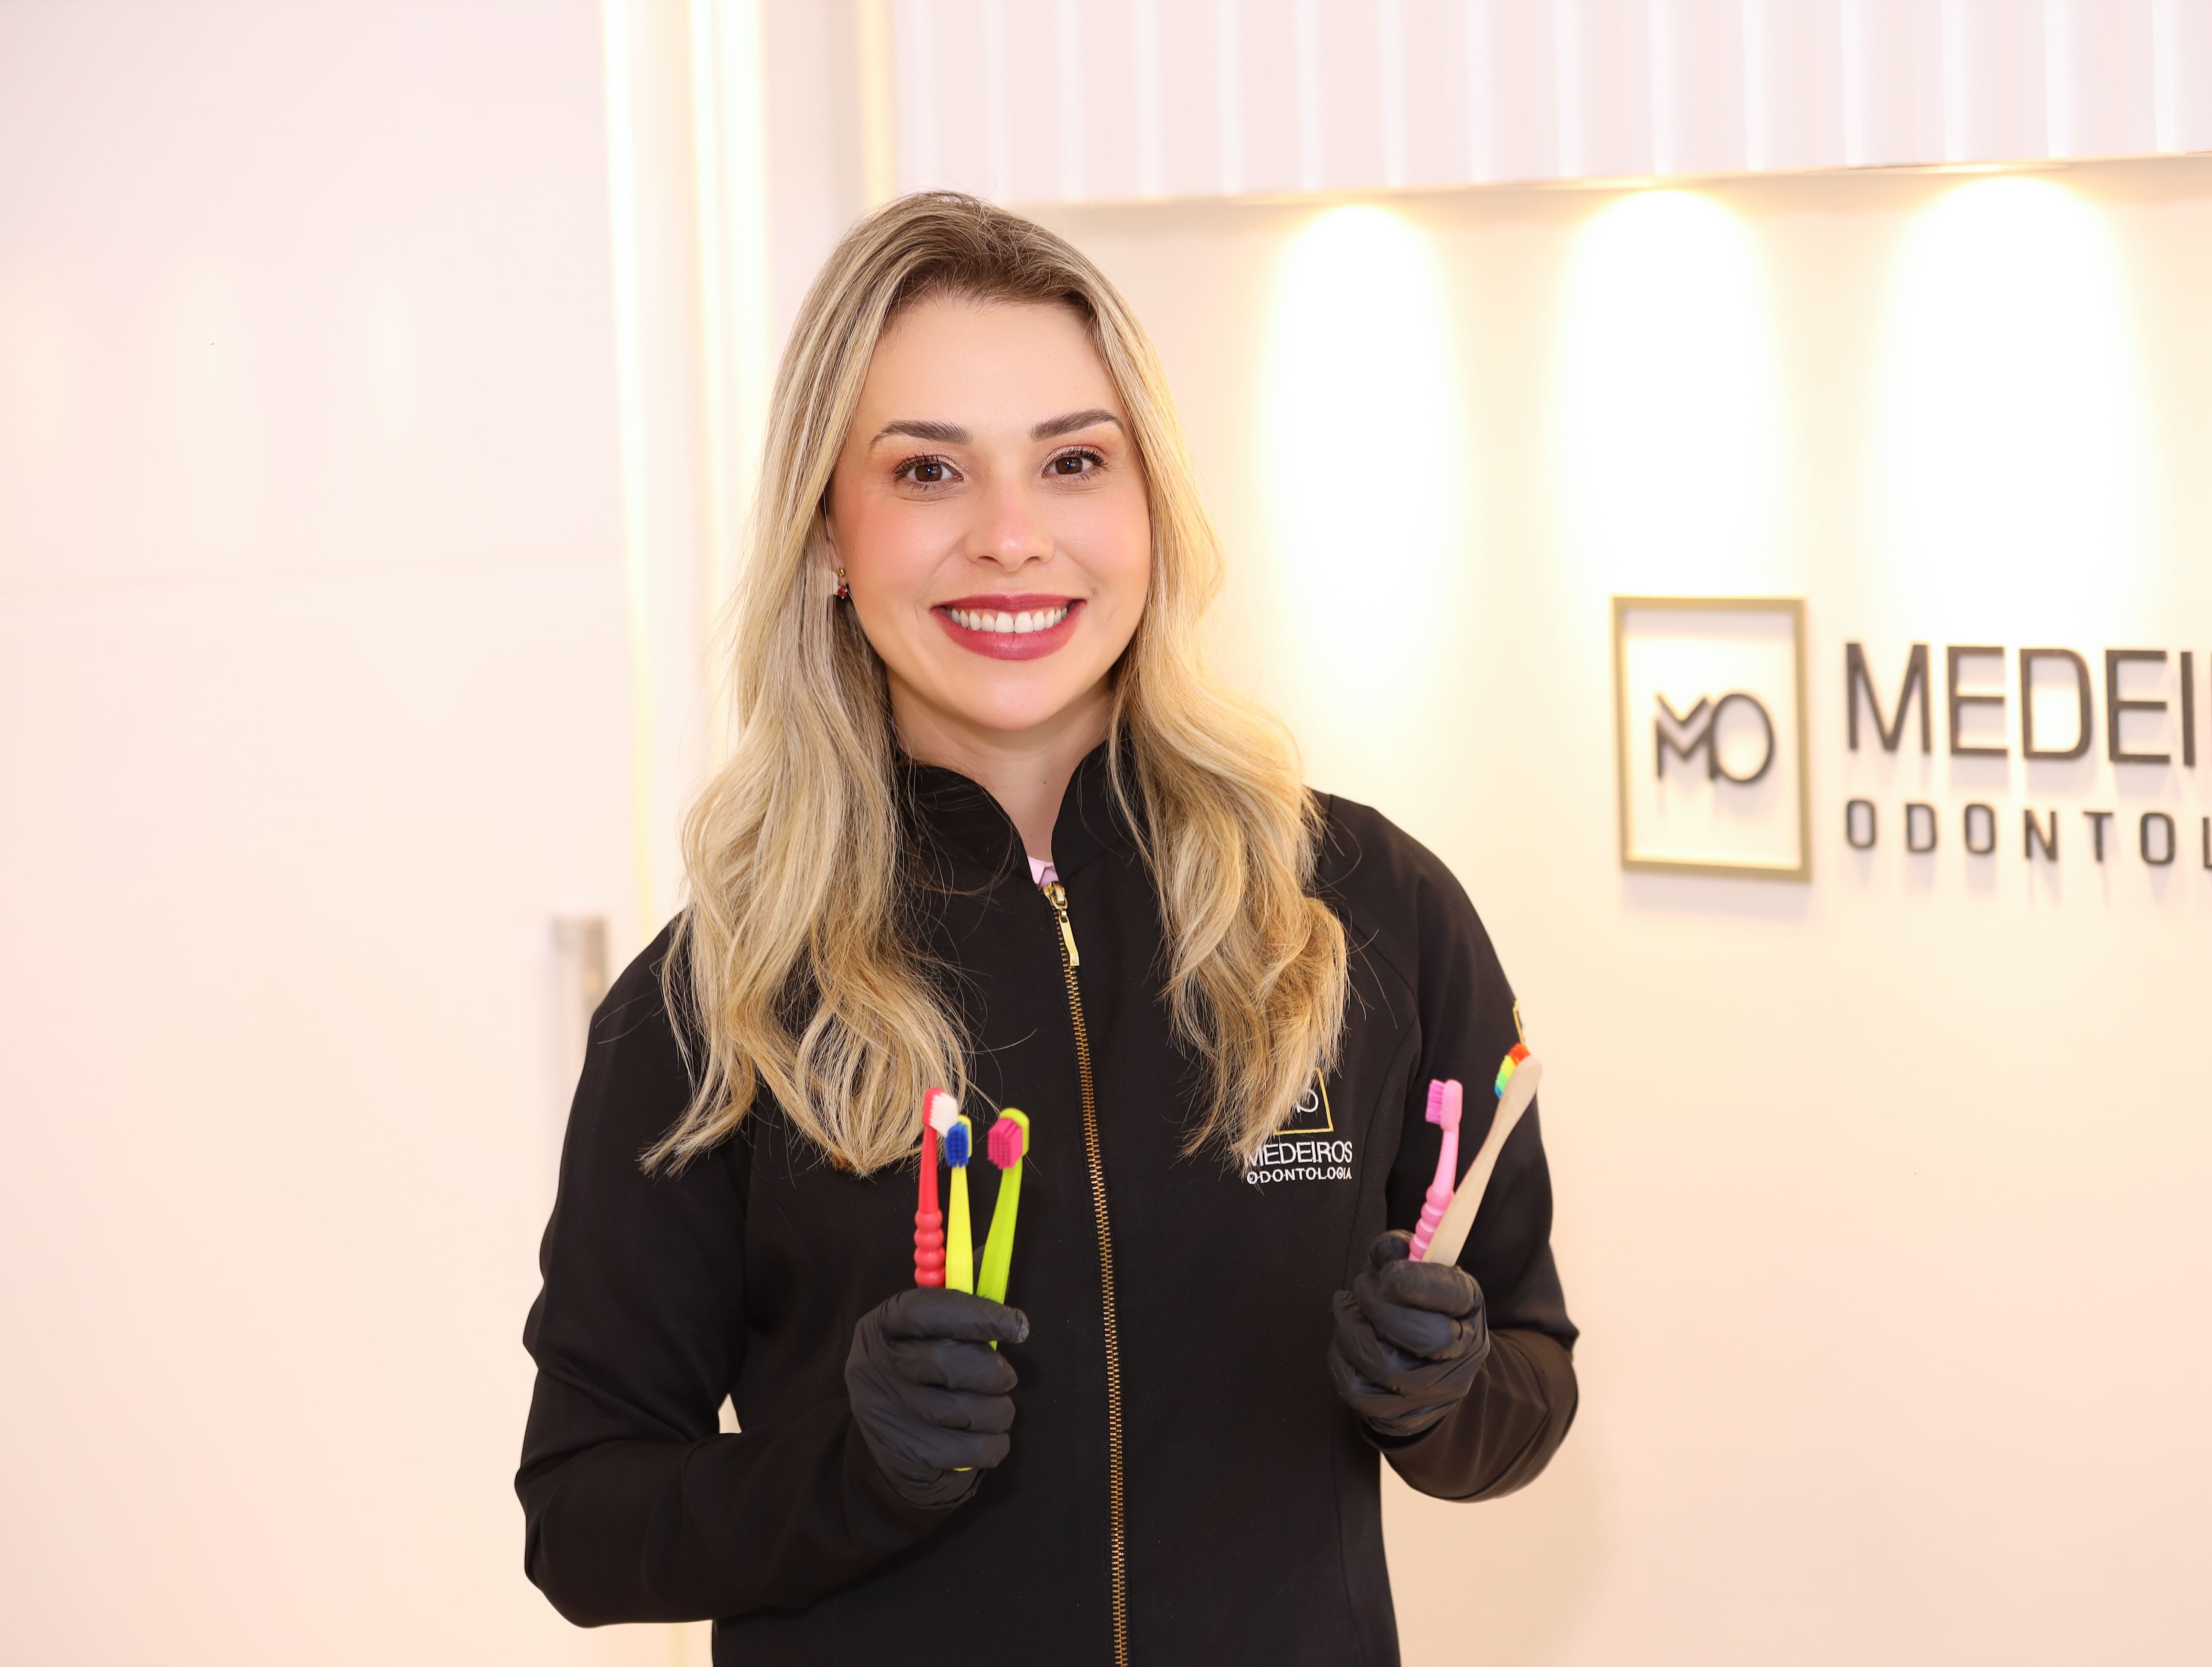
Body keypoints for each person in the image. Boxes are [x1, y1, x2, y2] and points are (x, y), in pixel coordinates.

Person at [516, 192, 1576, 1666]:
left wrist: (1448, 1397)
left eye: (1073, 461)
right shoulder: (716, 1001)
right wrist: (854, 1472)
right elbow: (582, 1521)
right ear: (828, 536)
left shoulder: (1360, 911)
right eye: (928, 470)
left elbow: (1529, 1373)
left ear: (1150, 511)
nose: (1011, 539)